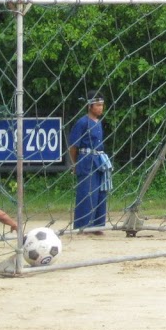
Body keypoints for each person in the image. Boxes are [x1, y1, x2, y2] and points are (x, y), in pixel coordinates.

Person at [68, 91, 112, 233]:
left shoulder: (98, 123)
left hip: (99, 160)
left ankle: (98, 225)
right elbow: (73, 146)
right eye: (97, 105)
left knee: (100, 193)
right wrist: (75, 164)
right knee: (87, 193)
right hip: (86, 160)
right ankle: (83, 225)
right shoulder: (82, 122)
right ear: (90, 106)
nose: (100, 108)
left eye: (102, 105)